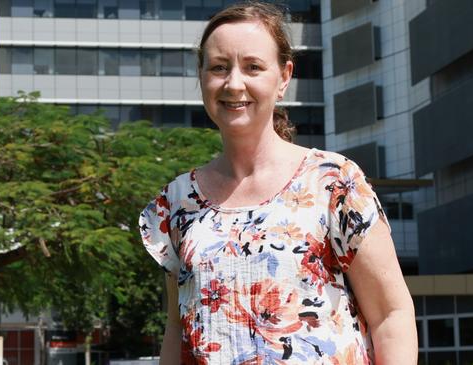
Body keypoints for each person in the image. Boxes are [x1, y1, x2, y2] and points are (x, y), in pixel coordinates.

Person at [139, 2, 417, 364]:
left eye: (253, 67)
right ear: (202, 76)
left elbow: (390, 315)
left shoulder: (333, 183)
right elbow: (178, 332)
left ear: (284, 77)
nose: (234, 83)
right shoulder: (177, 203)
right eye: (219, 67)